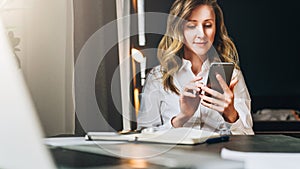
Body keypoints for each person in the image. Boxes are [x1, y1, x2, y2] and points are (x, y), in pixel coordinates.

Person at [137, 0, 254, 135]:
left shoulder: (232, 76)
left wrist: (231, 115)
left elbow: (248, 138)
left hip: (218, 154)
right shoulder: (158, 77)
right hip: (175, 156)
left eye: (208, 25)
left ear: (216, 28)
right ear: (179, 29)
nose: (202, 34)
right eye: (192, 26)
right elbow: (145, 136)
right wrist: (183, 117)